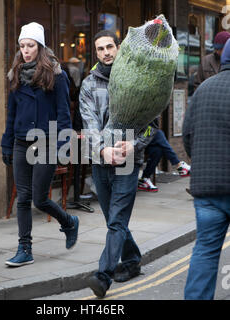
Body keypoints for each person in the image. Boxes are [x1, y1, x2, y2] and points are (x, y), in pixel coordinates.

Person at [79, 30, 155, 298]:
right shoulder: (88, 85)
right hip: (101, 162)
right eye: (100, 49)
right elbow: (89, 126)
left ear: (118, 47)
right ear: (96, 53)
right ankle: (132, 261)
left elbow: (151, 128)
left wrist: (134, 145)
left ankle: (103, 276)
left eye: (109, 47)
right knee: (114, 219)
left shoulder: (136, 80)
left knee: (117, 220)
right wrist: (103, 151)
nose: (106, 52)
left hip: (128, 162)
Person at [1, 22, 79, 267]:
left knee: (39, 198)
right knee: (23, 198)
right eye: (22, 46)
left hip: (46, 142)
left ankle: (68, 222)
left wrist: (63, 146)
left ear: (40, 47)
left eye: (30, 45)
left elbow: (64, 113)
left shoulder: (56, 75)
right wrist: (7, 143)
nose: (25, 50)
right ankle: (25, 248)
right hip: (21, 143)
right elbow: (11, 114)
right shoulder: (15, 76)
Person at [182, 38, 230, 300]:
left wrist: (201, 160)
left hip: (208, 189)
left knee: (206, 251)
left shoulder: (203, 90)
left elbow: (188, 136)